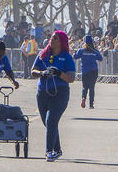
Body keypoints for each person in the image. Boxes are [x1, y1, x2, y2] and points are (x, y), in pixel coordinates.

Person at [32, 30, 75, 162]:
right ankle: (57, 149)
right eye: (51, 37)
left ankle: (49, 151)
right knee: (48, 122)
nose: (52, 40)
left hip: (60, 93)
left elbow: (71, 78)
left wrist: (58, 73)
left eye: (55, 38)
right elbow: (33, 71)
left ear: (61, 42)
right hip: (42, 93)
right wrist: (42, 73)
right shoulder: (43, 54)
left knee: (51, 121)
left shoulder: (66, 57)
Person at [75, 35, 102, 109]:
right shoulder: (94, 51)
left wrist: (76, 51)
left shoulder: (82, 50)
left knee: (85, 87)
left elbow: (75, 57)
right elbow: (100, 58)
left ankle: (84, 97)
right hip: (94, 71)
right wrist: (96, 52)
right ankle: (91, 104)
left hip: (85, 71)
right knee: (92, 87)